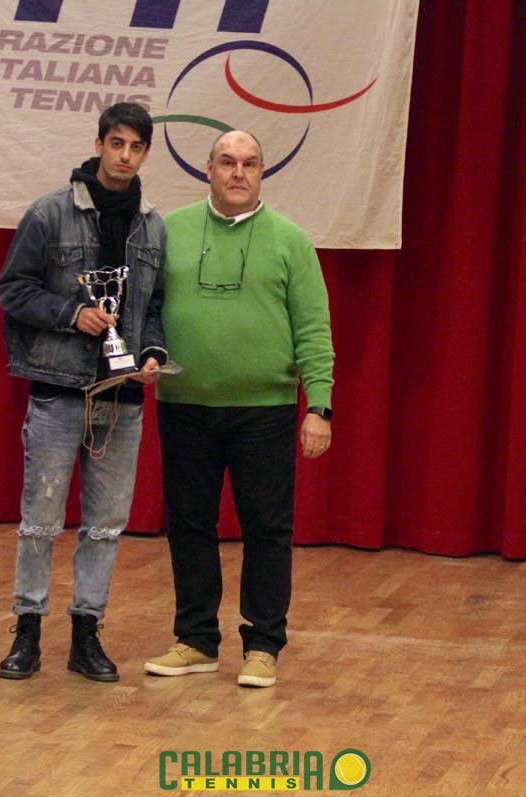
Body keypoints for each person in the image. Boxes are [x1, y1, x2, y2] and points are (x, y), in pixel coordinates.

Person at [144, 130, 334, 688]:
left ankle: (263, 646)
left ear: (262, 173)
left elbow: (314, 329)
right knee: (189, 525)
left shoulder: (291, 241)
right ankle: (196, 640)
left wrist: (319, 406)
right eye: (227, 162)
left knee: (267, 529)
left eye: (249, 164)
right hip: (184, 405)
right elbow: (146, 310)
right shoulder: (170, 232)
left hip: (264, 410)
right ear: (207, 169)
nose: (238, 172)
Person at [0, 102, 167, 682]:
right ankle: (27, 631)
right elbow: (12, 290)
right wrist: (72, 313)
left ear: (146, 153)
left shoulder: (153, 226)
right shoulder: (50, 213)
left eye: (136, 147)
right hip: (59, 390)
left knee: (106, 525)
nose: (125, 156)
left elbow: (157, 307)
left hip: (122, 396)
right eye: (116, 144)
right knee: (40, 518)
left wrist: (153, 352)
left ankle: (86, 634)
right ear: (98, 145)